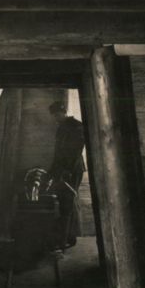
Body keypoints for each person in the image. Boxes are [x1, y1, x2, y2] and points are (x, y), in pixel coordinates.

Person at [47, 100, 86, 249]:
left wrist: (68, 170)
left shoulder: (76, 126)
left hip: (73, 170)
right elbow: (58, 153)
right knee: (64, 203)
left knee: (67, 202)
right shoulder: (61, 128)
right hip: (63, 170)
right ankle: (68, 237)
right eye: (54, 116)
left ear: (64, 112)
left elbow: (76, 152)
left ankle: (64, 240)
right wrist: (52, 170)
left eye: (58, 115)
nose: (56, 118)